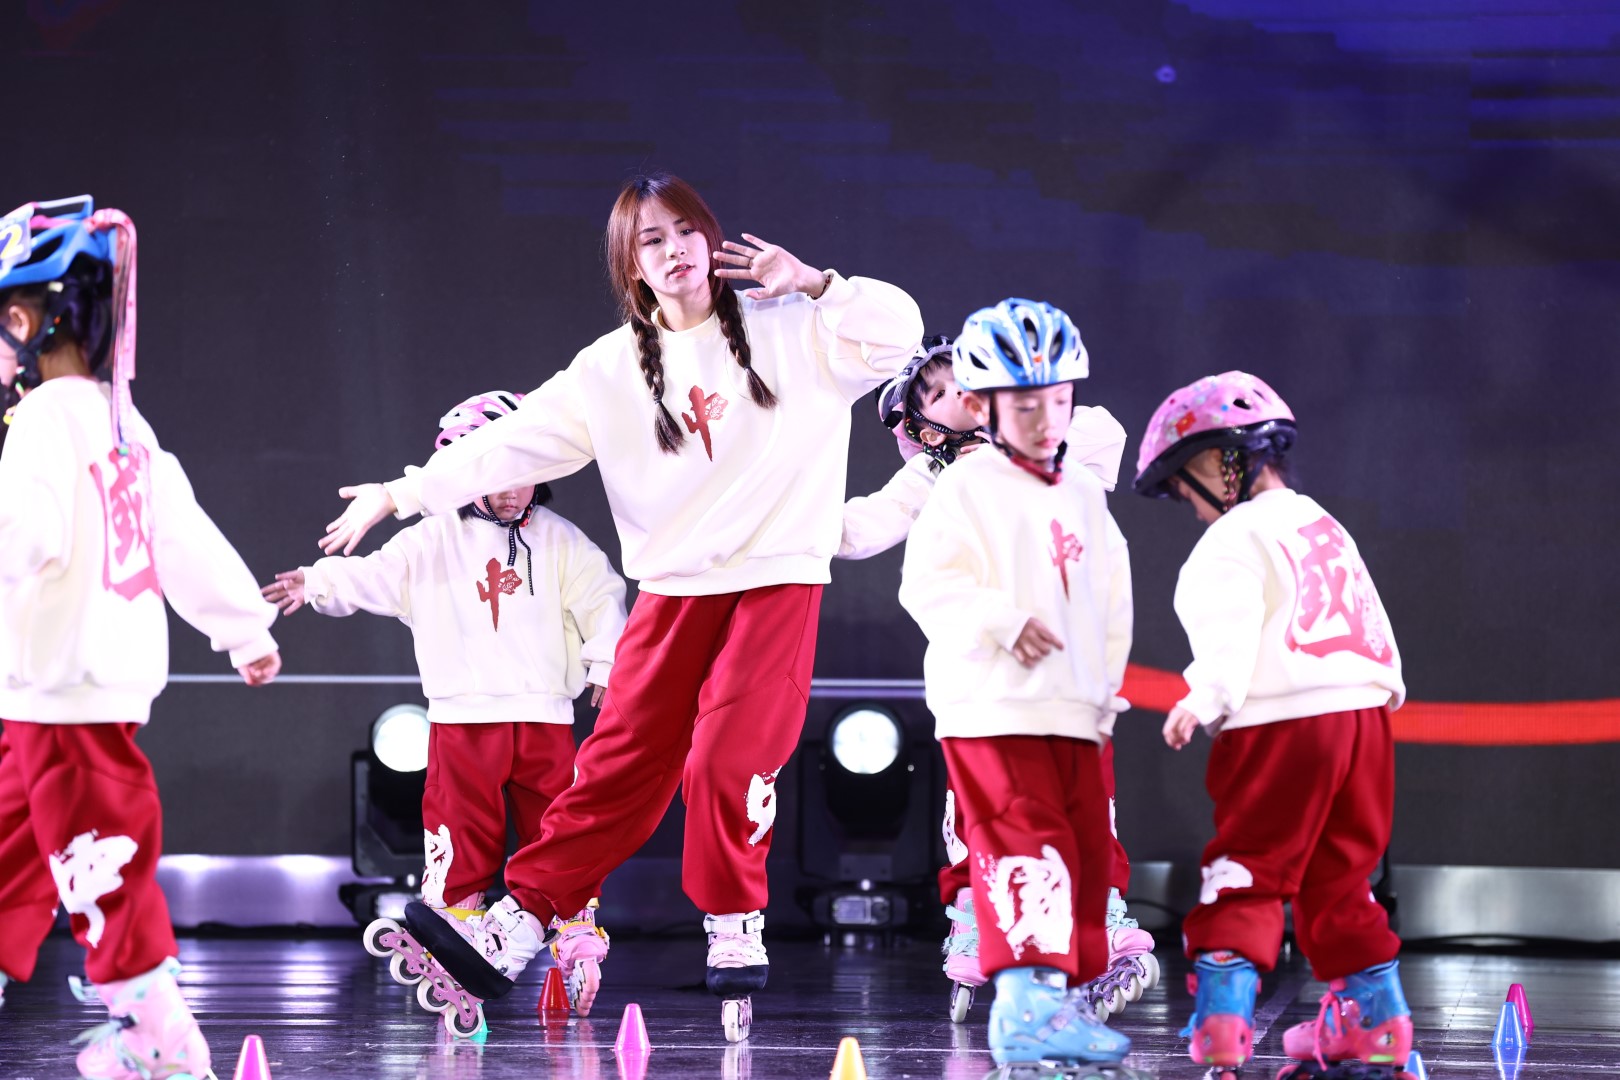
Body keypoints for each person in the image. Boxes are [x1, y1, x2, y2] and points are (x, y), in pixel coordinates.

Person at [315, 172, 922, 1041]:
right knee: (614, 767)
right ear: (630, 266)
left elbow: (900, 335)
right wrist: (402, 493)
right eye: (651, 241)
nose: (674, 252)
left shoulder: (795, 328)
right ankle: (520, 920)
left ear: (710, 238)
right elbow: (506, 444)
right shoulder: (608, 371)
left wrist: (819, 283)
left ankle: (732, 917)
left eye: (686, 231)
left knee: (726, 756)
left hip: (775, 582)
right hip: (672, 592)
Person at [0, 196, 280, 1079]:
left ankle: (158, 1036)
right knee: (14, 843)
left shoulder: (42, 420)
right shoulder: (126, 424)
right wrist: (242, 626)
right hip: (64, 684)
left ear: (31, 323)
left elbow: (23, 538)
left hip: (63, 681)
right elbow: (181, 535)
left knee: (98, 856)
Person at [262, 389, 626, 1027]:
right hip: (463, 716)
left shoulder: (562, 541)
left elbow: (602, 598)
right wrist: (317, 580)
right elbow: (371, 575)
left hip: (544, 716)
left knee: (558, 826)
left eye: (524, 474)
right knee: (461, 825)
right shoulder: (432, 540)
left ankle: (574, 928)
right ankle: (455, 922)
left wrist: (605, 662)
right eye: (495, 475)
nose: (511, 491)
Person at [837, 334, 1156, 1023]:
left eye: (968, 376)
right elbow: (859, 531)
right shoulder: (934, 481)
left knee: (1085, 797)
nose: (961, 390)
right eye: (939, 393)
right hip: (980, 682)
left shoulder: (1050, 453)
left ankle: (1100, 909)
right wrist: (776, 517)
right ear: (924, 431)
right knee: (981, 809)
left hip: (1064, 679)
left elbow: (1105, 437)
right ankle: (973, 914)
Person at [1133, 370, 1410, 1079]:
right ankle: (1378, 1025)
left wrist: (1205, 696)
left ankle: (1223, 1029)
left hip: (1283, 724)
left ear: (1219, 462)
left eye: (1184, 489)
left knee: (1248, 870)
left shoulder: (1230, 539)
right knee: (1343, 878)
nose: (1191, 509)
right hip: (1363, 721)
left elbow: (1228, 634)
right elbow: (1371, 621)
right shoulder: (1322, 522)